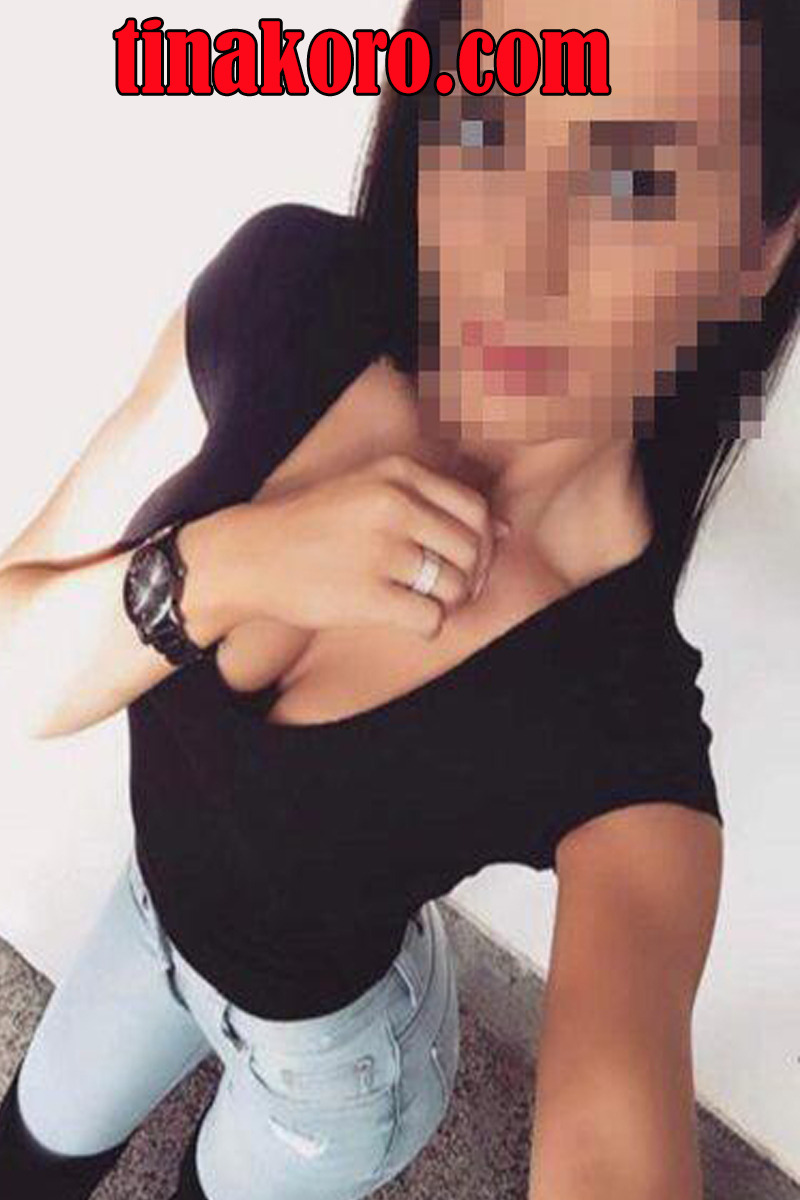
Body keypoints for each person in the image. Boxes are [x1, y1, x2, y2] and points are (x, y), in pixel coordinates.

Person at [0, 1, 798, 1198]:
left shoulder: (622, 738)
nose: (514, 256)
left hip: (336, 1070)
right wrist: (233, 562)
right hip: (147, 915)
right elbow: (16, 667)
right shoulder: (281, 297)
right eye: (485, 121)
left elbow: (610, 1128)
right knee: (25, 1155)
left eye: (630, 181)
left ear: (756, 253)